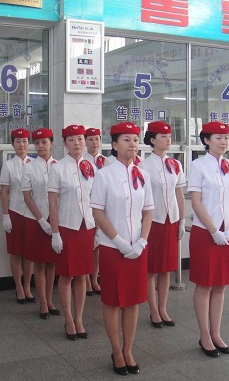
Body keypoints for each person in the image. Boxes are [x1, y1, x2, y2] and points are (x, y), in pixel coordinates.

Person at [90, 122, 154, 376]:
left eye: (135, 140)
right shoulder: (104, 175)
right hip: (112, 248)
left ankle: (129, 350)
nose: (132, 144)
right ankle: (116, 350)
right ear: (115, 145)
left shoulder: (143, 175)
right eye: (126, 140)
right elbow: (97, 212)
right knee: (113, 301)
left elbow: (148, 212)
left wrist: (142, 242)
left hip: (137, 248)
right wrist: (118, 241)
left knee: (133, 301)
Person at [187, 122, 229, 358]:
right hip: (205, 232)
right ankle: (204, 335)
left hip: (227, 232)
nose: (223, 142)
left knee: (221, 284)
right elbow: (196, 202)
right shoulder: (198, 165)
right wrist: (213, 230)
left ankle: (216, 333)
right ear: (206, 140)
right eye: (218, 138)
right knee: (205, 284)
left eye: (226, 138)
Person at [48, 124, 95, 340]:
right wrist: (55, 233)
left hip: (87, 227)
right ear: (65, 143)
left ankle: (79, 318)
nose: (77, 143)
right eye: (72, 139)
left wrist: (98, 229)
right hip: (67, 227)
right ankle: (68, 319)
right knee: (67, 275)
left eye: (80, 139)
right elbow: (52, 203)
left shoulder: (91, 166)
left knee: (82, 275)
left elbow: (96, 199)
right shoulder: (57, 168)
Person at [140, 121, 186, 328]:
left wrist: (182, 220)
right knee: (151, 269)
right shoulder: (143, 166)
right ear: (152, 140)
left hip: (171, 221)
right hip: (153, 221)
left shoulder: (175, 164)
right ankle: (153, 310)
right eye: (163, 136)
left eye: (169, 136)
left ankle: (163, 308)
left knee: (167, 268)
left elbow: (179, 194)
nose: (168, 140)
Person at [21, 128, 60, 319]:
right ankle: (43, 303)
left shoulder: (59, 166)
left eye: (44, 142)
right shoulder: (29, 167)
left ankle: (50, 300)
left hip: (55, 220)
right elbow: (27, 197)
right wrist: (42, 220)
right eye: (37, 143)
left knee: (52, 263)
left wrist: (54, 221)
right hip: (35, 221)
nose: (41, 146)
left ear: (52, 143)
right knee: (39, 263)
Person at [0, 129, 35, 304]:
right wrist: (5, 215)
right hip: (15, 211)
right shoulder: (8, 165)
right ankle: (19, 287)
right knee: (15, 252)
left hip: (31, 214)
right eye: (18, 141)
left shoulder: (34, 163)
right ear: (12, 144)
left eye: (25, 141)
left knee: (29, 253)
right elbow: (4, 192)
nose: (22, 145)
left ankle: (27, 286)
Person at [83, 127, 105, 296]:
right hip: (86, 207)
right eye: (90, 139)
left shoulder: (107, 161)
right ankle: (84, 280)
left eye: (97, 139)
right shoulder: (82, 161)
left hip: (103, 208)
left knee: (98, 246)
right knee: (86, 246)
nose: (94, 142)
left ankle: (94, 278)